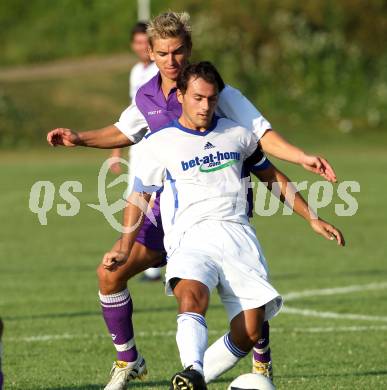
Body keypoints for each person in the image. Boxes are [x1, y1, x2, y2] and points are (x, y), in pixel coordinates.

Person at [46, 12, 339, 389]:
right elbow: (125, 130)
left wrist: (300, 157)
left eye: (180, 51)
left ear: (190, 50)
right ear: (150, 53)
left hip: (221, 208)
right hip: (166, 211)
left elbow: (260, 136)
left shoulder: (220, 94)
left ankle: (260, 360)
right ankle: (131, 360)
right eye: (164, 53)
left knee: (245, 289)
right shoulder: (147, 96)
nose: (173, 60)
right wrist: (79, 137)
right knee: (112, 274)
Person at [102, 61, 344, 389]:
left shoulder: (238, 135)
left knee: (251, 331)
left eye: (212, 99)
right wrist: (124, 247)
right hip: (190, 237)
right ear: (182, 94)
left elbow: (272, 177)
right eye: (198, 98)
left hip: (238, 235)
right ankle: (192, 369)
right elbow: (139, 197)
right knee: (192, 296)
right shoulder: (160, 143)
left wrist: (312, 218)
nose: (205, 106)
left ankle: (197, 377)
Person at [109, 21, 160, 281]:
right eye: (138, 43)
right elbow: (131, 116)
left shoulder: (160, 69)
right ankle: (149, 263)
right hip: (137, 146)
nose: (142, 47)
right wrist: (116, 150)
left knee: (148, 201)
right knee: (137, 199)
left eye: (146, 43)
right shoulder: (135, 72)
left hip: (156, 147)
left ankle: (151, 265)